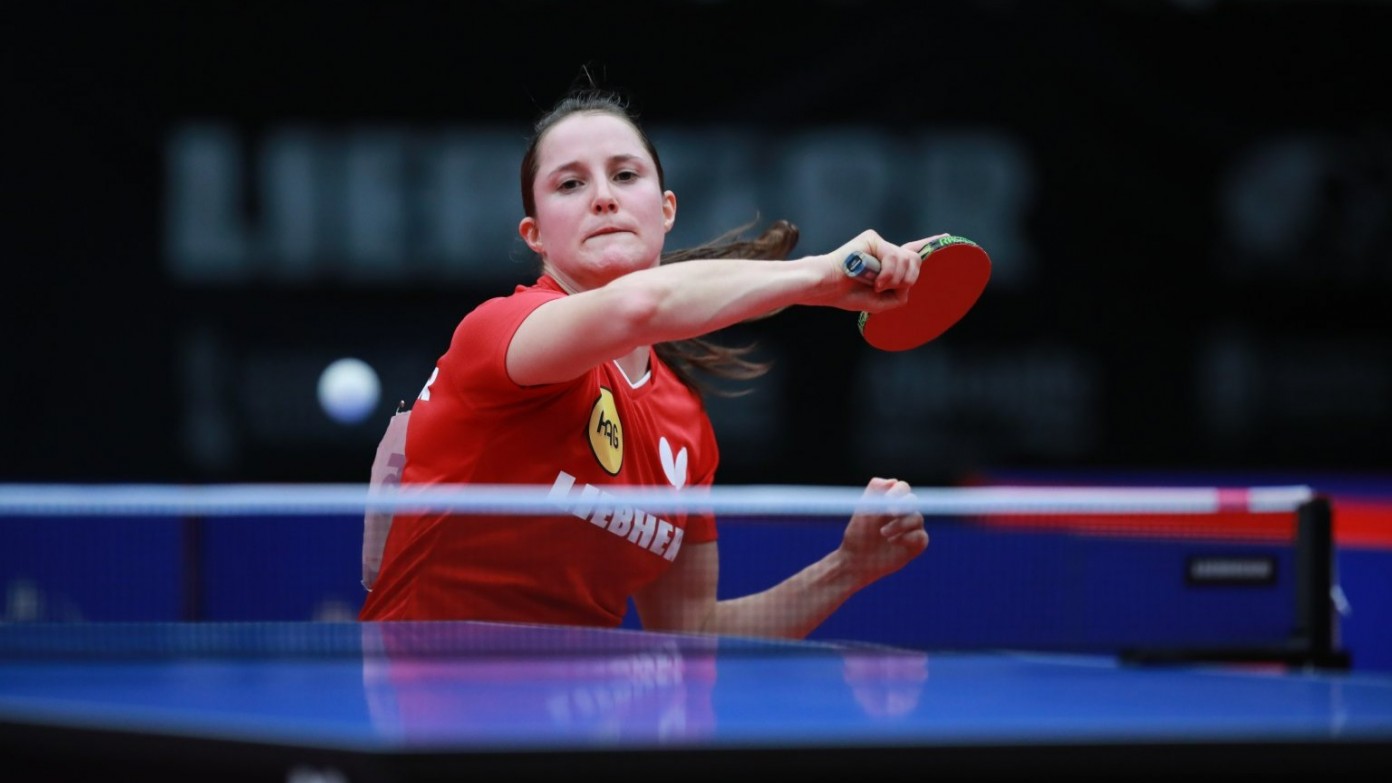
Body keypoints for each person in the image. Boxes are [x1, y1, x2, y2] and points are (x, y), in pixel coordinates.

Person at [359, 83, 935, 639]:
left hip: (564, 727)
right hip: (426, 708)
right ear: (535, 235)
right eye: (570, 184)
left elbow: (696, 634)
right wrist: (823, 275)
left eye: (625, 174)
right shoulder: (501, 334)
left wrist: (847, 568)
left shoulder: (683, 423)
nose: (603, 195)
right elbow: (638, 307)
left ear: (666, 210)